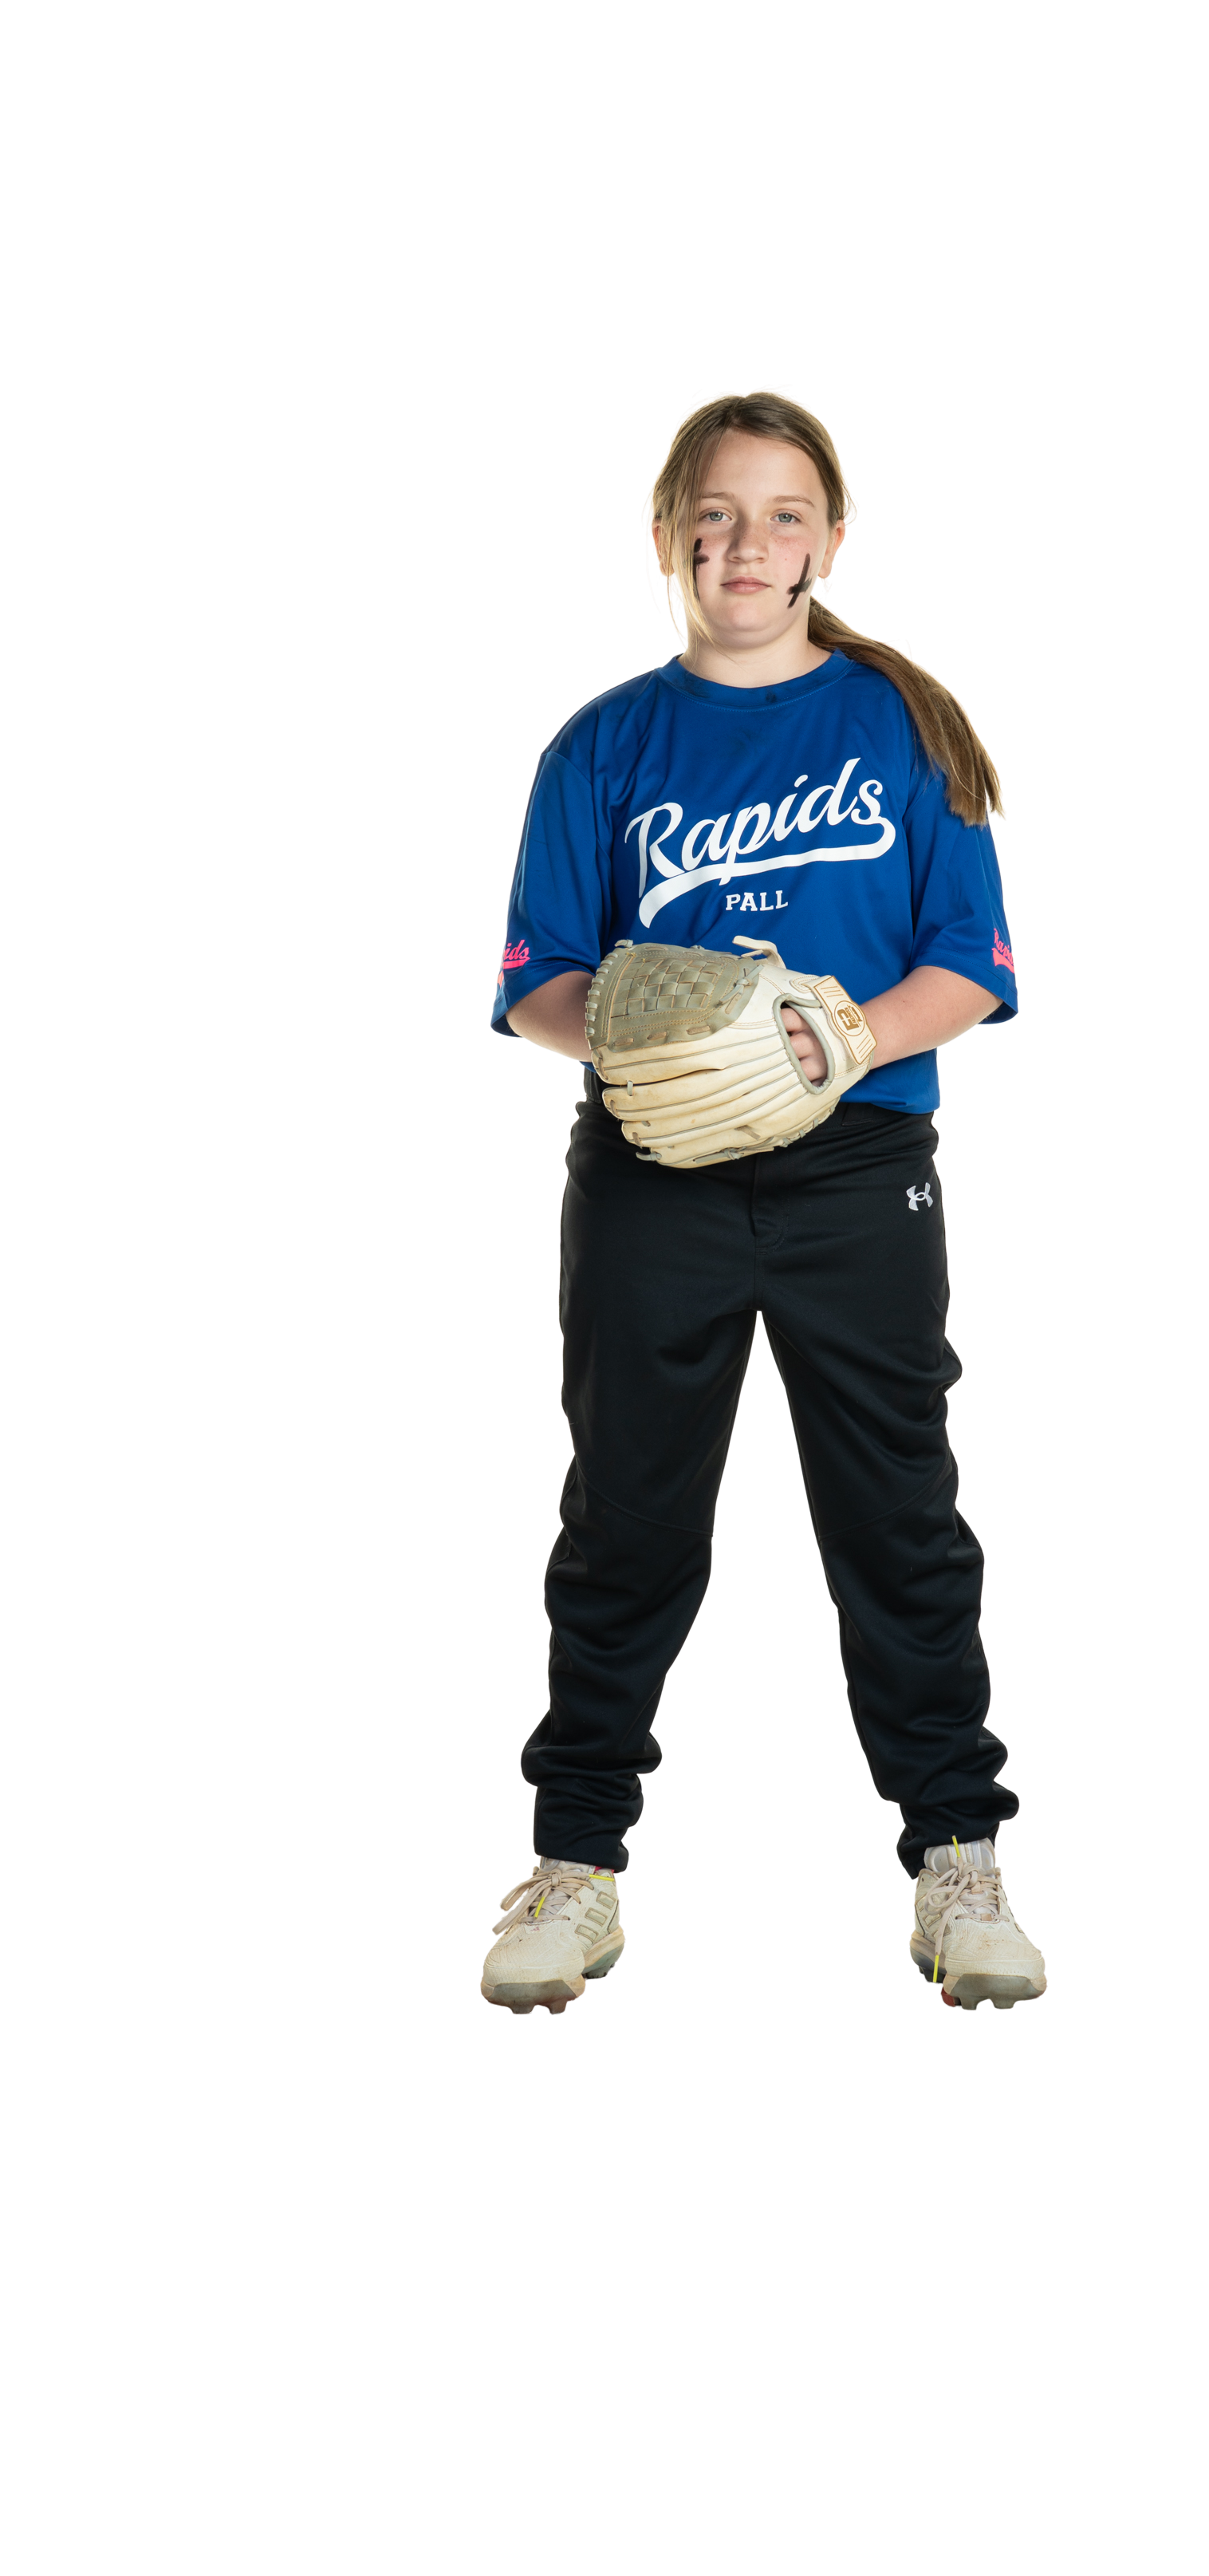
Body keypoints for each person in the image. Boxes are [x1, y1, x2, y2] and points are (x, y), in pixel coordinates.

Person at [482, 387, 1046, 2019]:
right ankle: (576, 1864)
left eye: (783, 514)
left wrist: (842, 1037)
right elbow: (539, 980)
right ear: (666, 538)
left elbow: (973, 962)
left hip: (860, 1167)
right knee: (627, 1515)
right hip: (653, 1170)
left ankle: (958, 1856)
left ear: (833, 538)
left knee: (899, 1514)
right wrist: (664, 1045)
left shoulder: (906, 724)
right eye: (713, 515)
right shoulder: (603, 744)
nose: (747, 544)